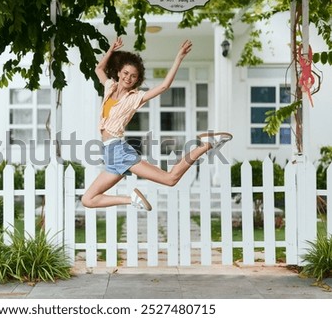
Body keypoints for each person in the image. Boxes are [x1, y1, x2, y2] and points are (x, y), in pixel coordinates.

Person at [81, 37, 232, 211]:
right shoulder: (110, 87)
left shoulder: (134, 98)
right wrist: (111, 49)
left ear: (137, 80)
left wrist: (179, 58)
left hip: (119, 151)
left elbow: (163, 87)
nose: (128, 78)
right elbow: (98, 68)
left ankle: (206, 144)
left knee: (170, 179)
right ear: (119, 72)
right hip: (110, 155)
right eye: (125, 73)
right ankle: (131, 199)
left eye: (133, 76)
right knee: (88, 199)